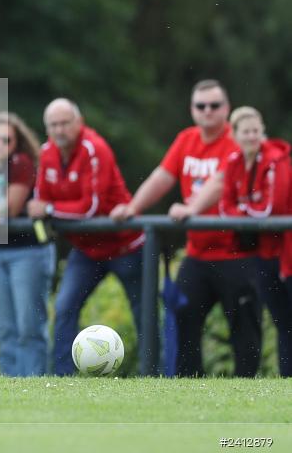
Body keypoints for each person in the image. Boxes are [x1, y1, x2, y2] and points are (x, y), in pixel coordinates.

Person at [111, 80, 260, 377]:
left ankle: (248, 394)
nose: (207, 111)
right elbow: (162, 177)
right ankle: (189, 389)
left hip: (237, 254)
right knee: (184, 322)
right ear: (192, 109)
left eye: (214, 105)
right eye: (200, 106)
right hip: (198, 255)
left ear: (226, 108)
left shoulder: (237, 139)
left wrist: (192, 209)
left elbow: (220, 181)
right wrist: (133, 207)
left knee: (245, 332)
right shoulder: (186, 139)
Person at [28, 99, 145, 376]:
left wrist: (51, 209)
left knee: (145, 313)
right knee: (65, 306)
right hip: (87, 250)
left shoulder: (96, 148)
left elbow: (89, 208)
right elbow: (40, 200)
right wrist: (48, 207)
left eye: (65, 123)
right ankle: (61, 377)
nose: (59, 130)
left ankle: (156, 373)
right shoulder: (46, 153)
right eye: (53, 125)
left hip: (125, 245)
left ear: (79, 122)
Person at [0, 112, 54, 377]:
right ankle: (11, 382)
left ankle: (34, 382)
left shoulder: (23, 162)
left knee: (29, 326)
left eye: (6, 140)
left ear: (17, 143)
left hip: (28, 251)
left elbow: (12, 209)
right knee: (5, 327)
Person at [217, 107, 290, 377]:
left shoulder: (275, 160)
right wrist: (248, 208)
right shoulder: (234, 162)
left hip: (286, 252)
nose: (251, 136)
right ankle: (287, 381)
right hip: (263, 252)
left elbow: (274, 207)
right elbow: (225, 206)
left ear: (263, 130)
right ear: (234, 135)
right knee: (283, 322)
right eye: (245, 131)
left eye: (256, 130)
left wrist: (243, 208)